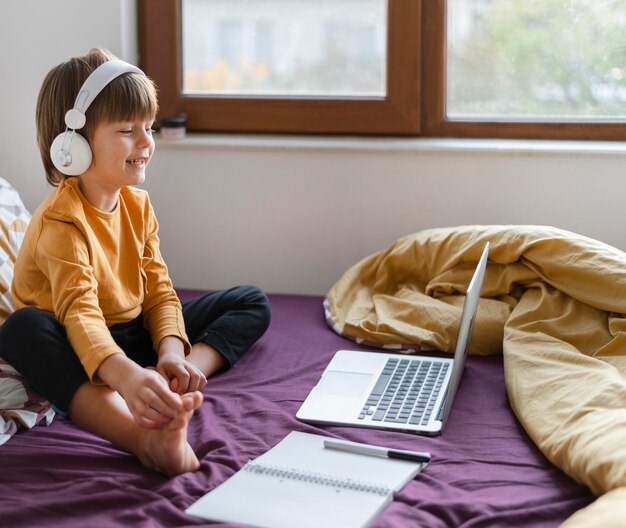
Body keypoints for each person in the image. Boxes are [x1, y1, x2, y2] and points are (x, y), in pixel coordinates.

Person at [0, 48, 271, 475]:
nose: (147, 142)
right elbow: (81, 315)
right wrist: (125, 377)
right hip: (76, 342)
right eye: (128, 129)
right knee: (20, 329)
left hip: (129, 336)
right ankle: (140, 437)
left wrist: (170, 351)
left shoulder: (138, 206)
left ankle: (170, 382)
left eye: (148, 126)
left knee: (251, 301)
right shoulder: (61, 221)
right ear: (72, 144)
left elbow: (159, 291)